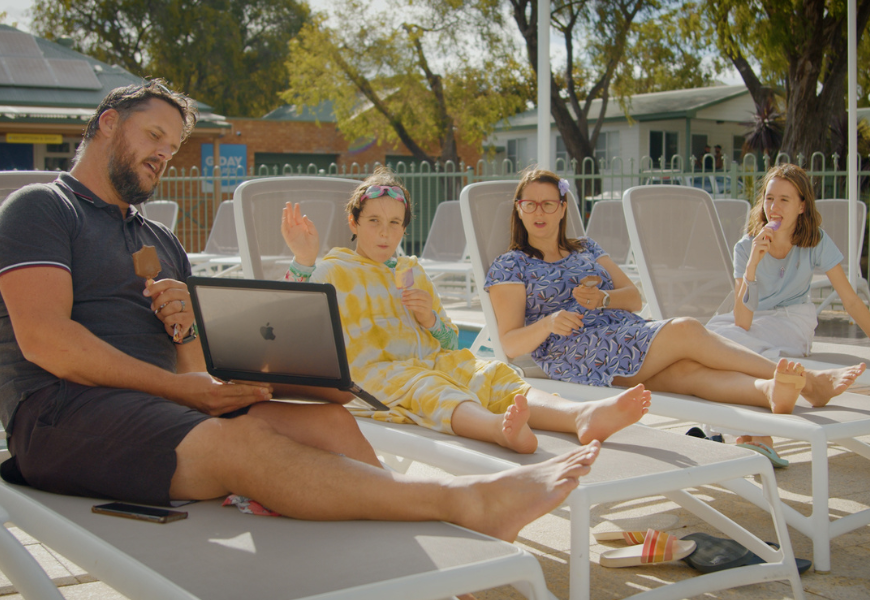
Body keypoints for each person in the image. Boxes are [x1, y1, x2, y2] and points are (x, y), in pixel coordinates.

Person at [0, 81, 603, 543]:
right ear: (108, 122)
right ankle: (463, 503)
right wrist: (187, 393)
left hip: (158, 409)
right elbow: (47, 341)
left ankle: (426, 557)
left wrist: (189, 336)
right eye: (154, 136)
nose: (164, 155)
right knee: (240, 445)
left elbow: (189, 365)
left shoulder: (161, 240)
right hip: (60, 417)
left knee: (332, 420)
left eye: (173, 145)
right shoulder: (44, 210)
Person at [281, 167, 651, 455]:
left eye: (394, 223)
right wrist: (303, 259)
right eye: (374, 221)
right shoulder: (334, 269)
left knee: (491, 373)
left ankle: (579, 415)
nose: (384, 233)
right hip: (371, 376)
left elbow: (450, 339)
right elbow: (292, 324)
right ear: (354, 223)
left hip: (431, 361)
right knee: (430, 387)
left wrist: (430, 319)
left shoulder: (412, 272)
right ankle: (497, 429)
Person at [485, 168, 865, 421]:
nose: (539, 212)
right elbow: (511, 343)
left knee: (687, 373)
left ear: (562, 207)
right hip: (576, 351)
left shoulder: (586, 248)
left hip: (622, 334)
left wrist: (603, 299)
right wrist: (551, 321)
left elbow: (633, 299)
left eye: (548, 203)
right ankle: (812, 382)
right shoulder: (510, 265)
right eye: (529, 204)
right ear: (518, 211)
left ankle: (769, 391)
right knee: (685, 329)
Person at [705, 163, 870, 453]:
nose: (774, 207)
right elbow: (742, 321)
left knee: (727, 347)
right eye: (769, 198)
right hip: (755, 324)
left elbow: (851, 300)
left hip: (794, 321)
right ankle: (753, 434)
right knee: (709, 335)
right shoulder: (746, 248)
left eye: (784, 199)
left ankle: (751, 434)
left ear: (802, 206)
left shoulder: (815, 240)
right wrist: (754, 263)